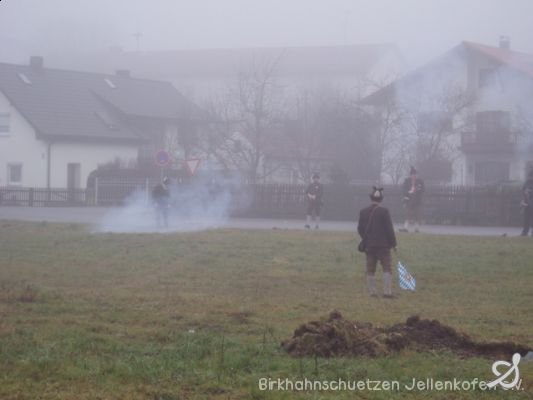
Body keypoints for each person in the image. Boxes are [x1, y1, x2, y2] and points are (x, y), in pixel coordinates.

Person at [358, 186, 397, 298]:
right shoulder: (384, 212)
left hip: (369, 246)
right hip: (383, 246)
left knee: (370, 269)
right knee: (387, 268)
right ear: (381, 200)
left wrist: (366, 238)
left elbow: (360, 229)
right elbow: (389, 229)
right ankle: (387, 292)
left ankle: (372, 292)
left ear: (371, 199)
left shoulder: (363, 212)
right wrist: (394, 244)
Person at [399, 166, 425, 233]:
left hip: (417, 200)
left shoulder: (420, 181)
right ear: (410, 175)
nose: (414, 176)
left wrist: (418, 190)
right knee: (408, 214)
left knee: (417, 214)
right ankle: (405, 228)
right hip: (408, 200)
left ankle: (417, 229)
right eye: (412, 175)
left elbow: (423, 190)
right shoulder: (407, 181)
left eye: (415, 175)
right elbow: (403, 190)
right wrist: (408, 192)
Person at [520, 168, 533, 236]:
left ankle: (525, 232)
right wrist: (523, 201)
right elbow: (523, 191)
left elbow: (524, 191)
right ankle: (524, 232)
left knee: (528, 218)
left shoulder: (528, 182)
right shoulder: (527, 182)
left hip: (529, 202)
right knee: (526, 219)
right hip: (527, 203)